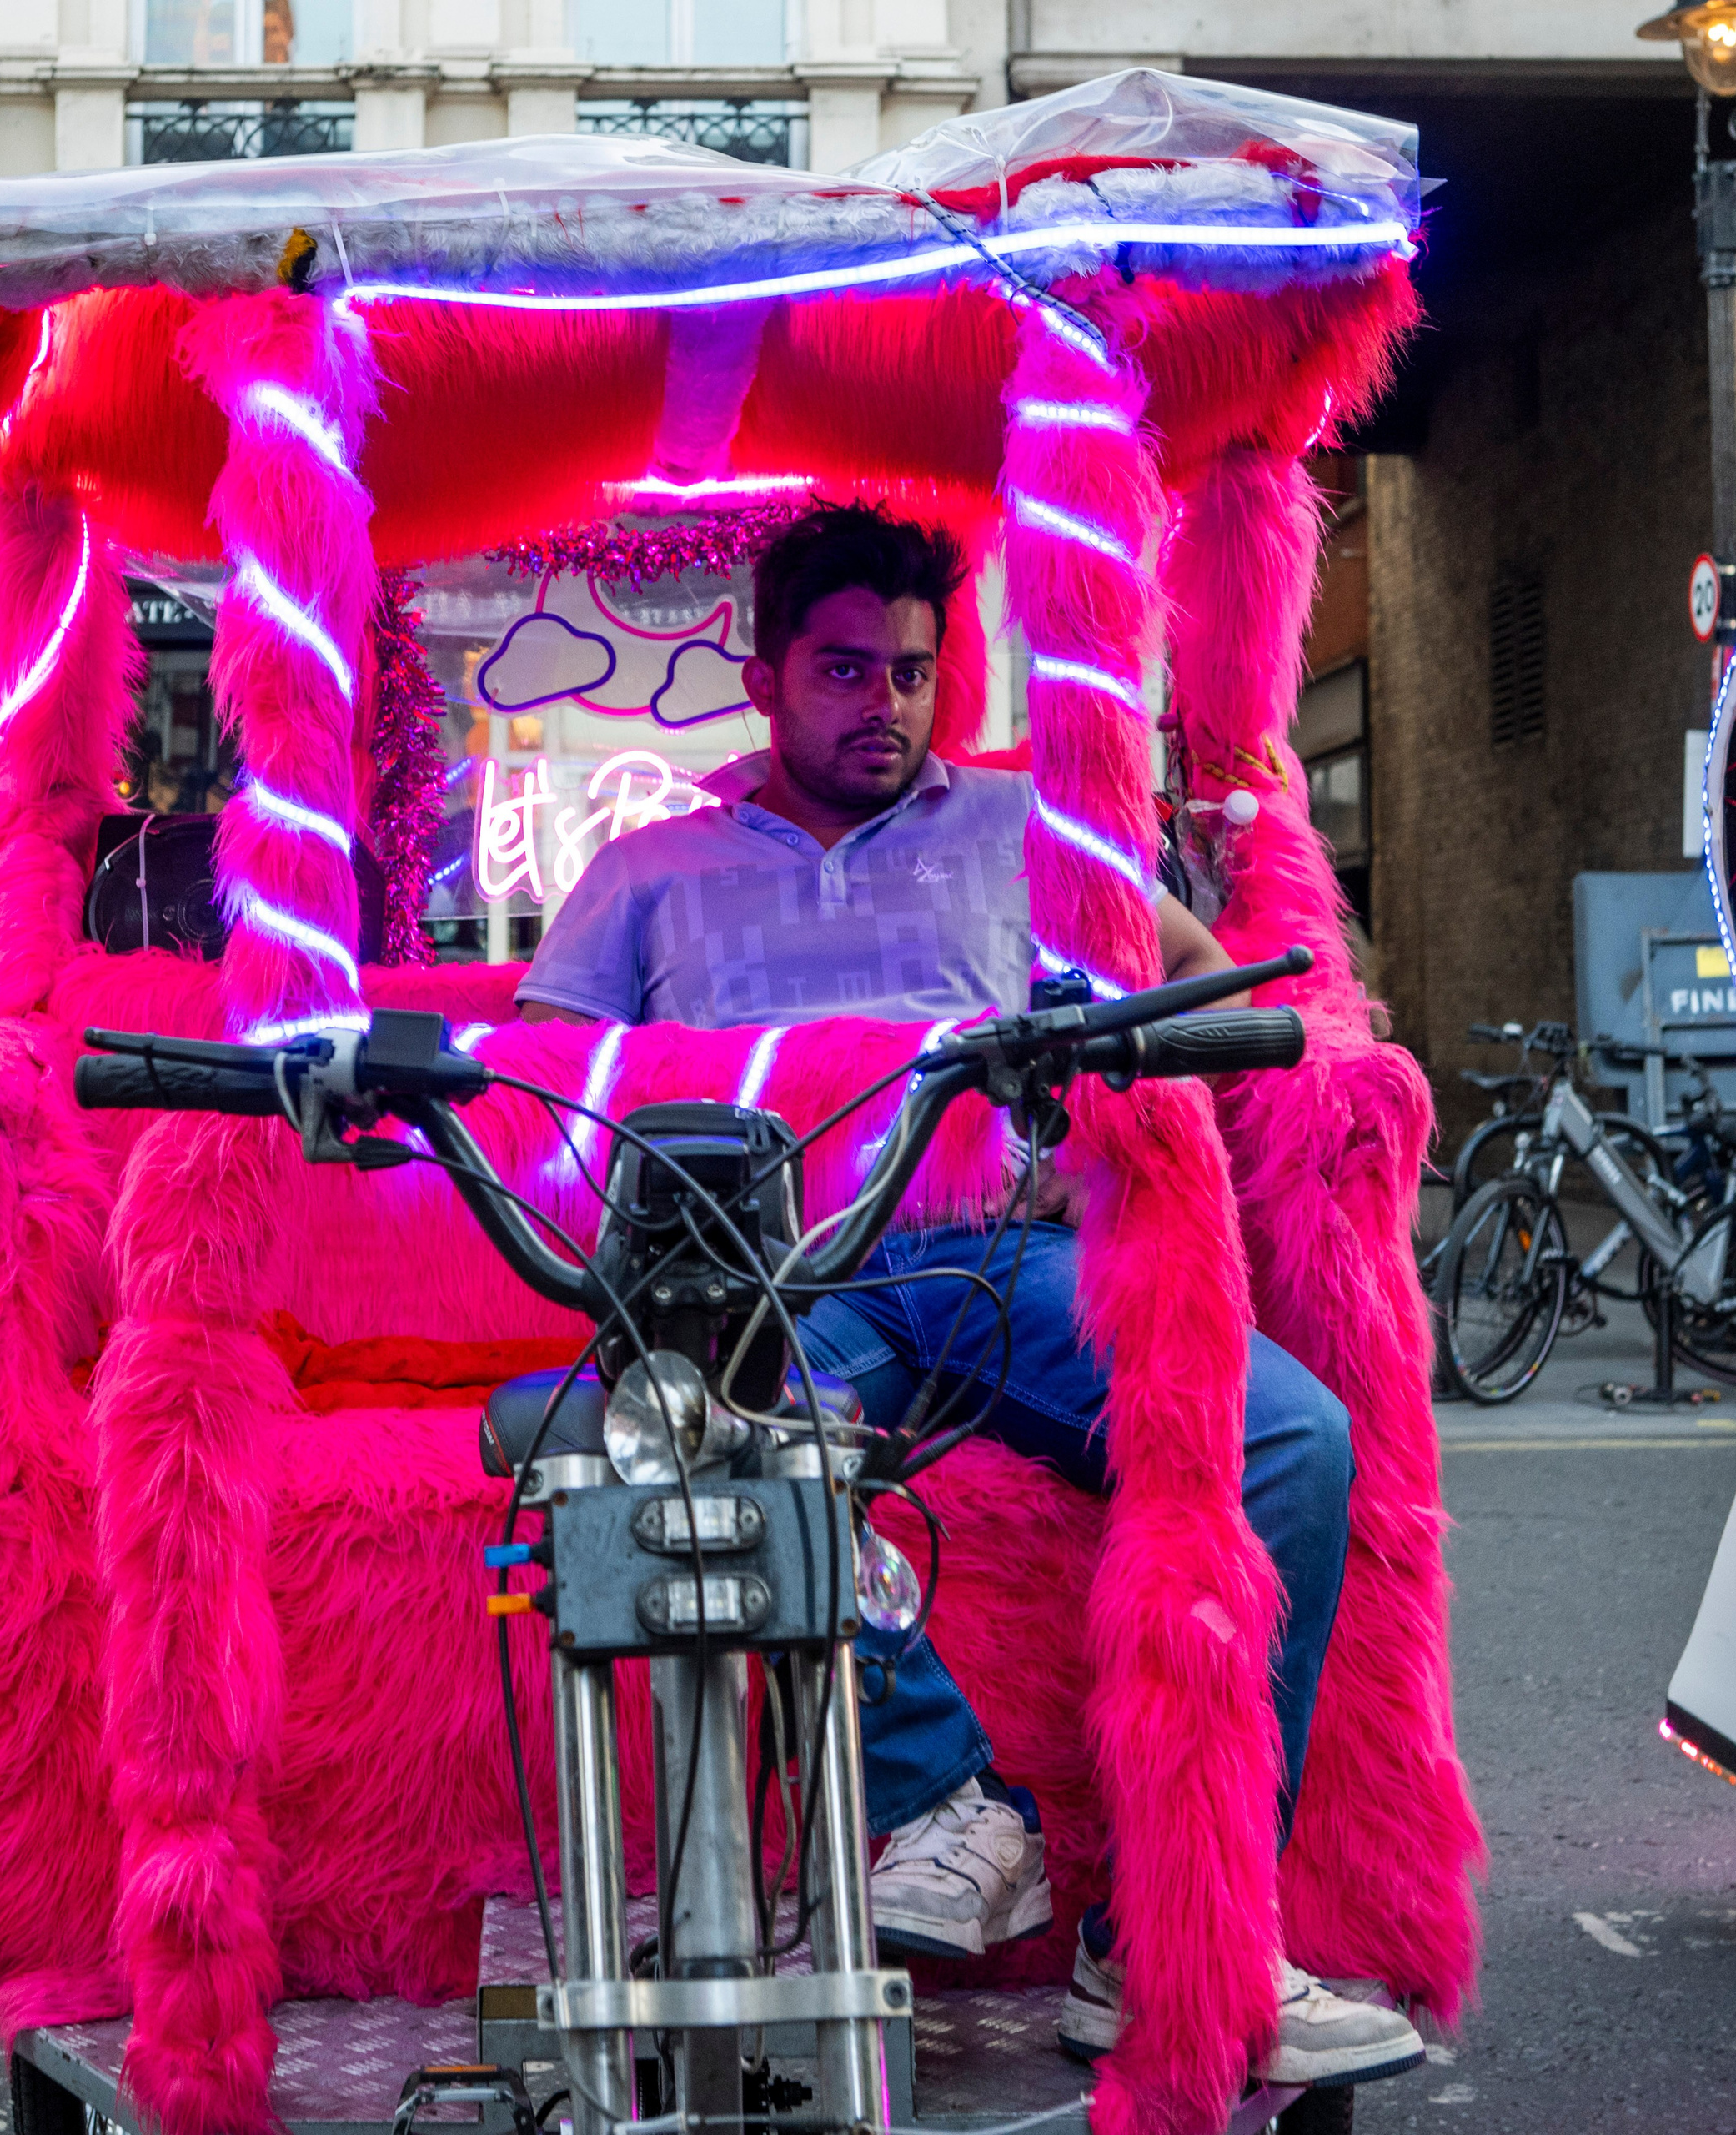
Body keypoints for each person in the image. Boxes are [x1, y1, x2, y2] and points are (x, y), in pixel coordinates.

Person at [514, 503, 1424, 2089]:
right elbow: (536, 1093)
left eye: (916, 673)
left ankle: (1170, 1938)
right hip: (786, 1285)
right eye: (847, 670)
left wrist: (1117, 1123)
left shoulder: (1016, 833)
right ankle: (944, 1806)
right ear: (765, 676)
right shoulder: (647, 877)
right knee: (733, 1438)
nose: (887, 704)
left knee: (1293, 1440)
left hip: (1007, 1257)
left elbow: (1211, 990)